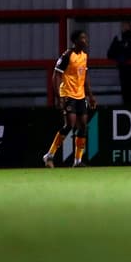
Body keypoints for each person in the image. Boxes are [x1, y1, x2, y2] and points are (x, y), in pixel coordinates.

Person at [43, 29, 97, 168]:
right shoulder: (67, 55)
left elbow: (85, 78)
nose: (85, 41)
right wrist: (59, 97)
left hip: (80, 96)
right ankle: (49, 155)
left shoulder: (84, 56)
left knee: (83, 126)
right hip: (68, 94)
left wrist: (90, 96)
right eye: (82, 38)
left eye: (85, 38)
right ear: (75, 41)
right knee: (70, 125)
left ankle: (77, 161)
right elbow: (56, 75)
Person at [107, 21, 131, 109]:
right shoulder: (119, 39)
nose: (123, 28)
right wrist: (120, 57)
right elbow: (110, 54)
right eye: (122, 26)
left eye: (126, 26)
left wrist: (125, 56)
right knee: (126, 102)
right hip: (125, 76)